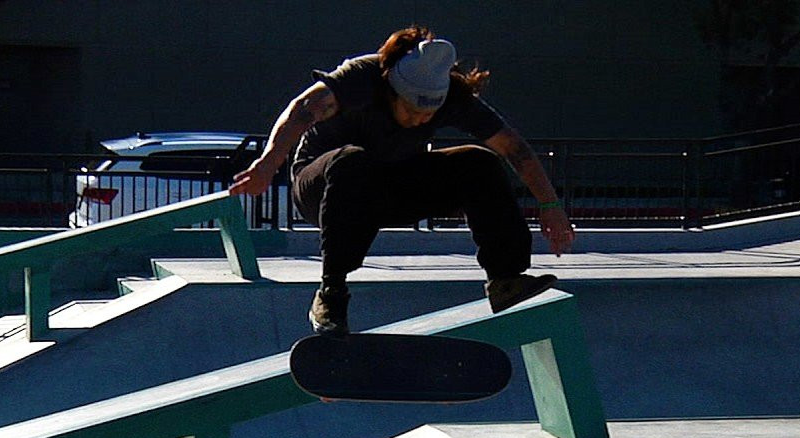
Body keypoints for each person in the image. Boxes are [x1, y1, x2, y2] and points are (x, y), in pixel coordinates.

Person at [229, 26, 573, 335]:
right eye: (410, 110)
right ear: (393, 90)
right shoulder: (363, 78)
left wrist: (550, 204)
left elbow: (515, 149)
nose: (418, 120)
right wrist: (267, 164)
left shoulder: (452, 96)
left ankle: (505, 279)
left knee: (478, 161)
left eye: (428, 116)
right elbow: (301, 110)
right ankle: (331, 294)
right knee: (353, 160)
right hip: (321, 189)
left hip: (386, 188)